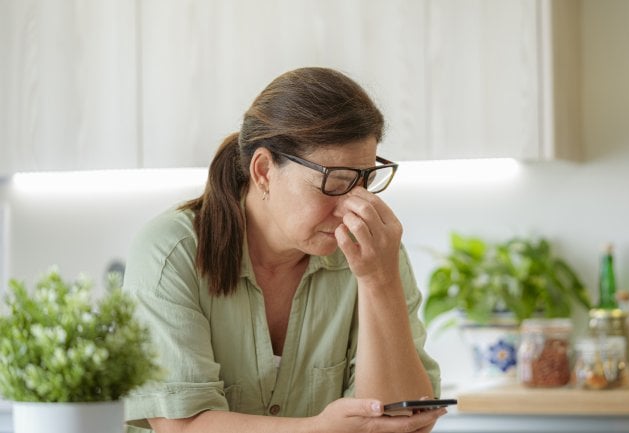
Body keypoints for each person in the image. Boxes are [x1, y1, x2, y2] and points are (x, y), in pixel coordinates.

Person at [122, 67, 445, 433]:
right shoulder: (170, 252)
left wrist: (378, 282)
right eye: (334, 183)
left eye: (363, 182)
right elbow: (181, 426)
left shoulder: (373, 252)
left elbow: (398, 422)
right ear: (263, 171)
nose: (353, 208)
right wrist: (319, 430)